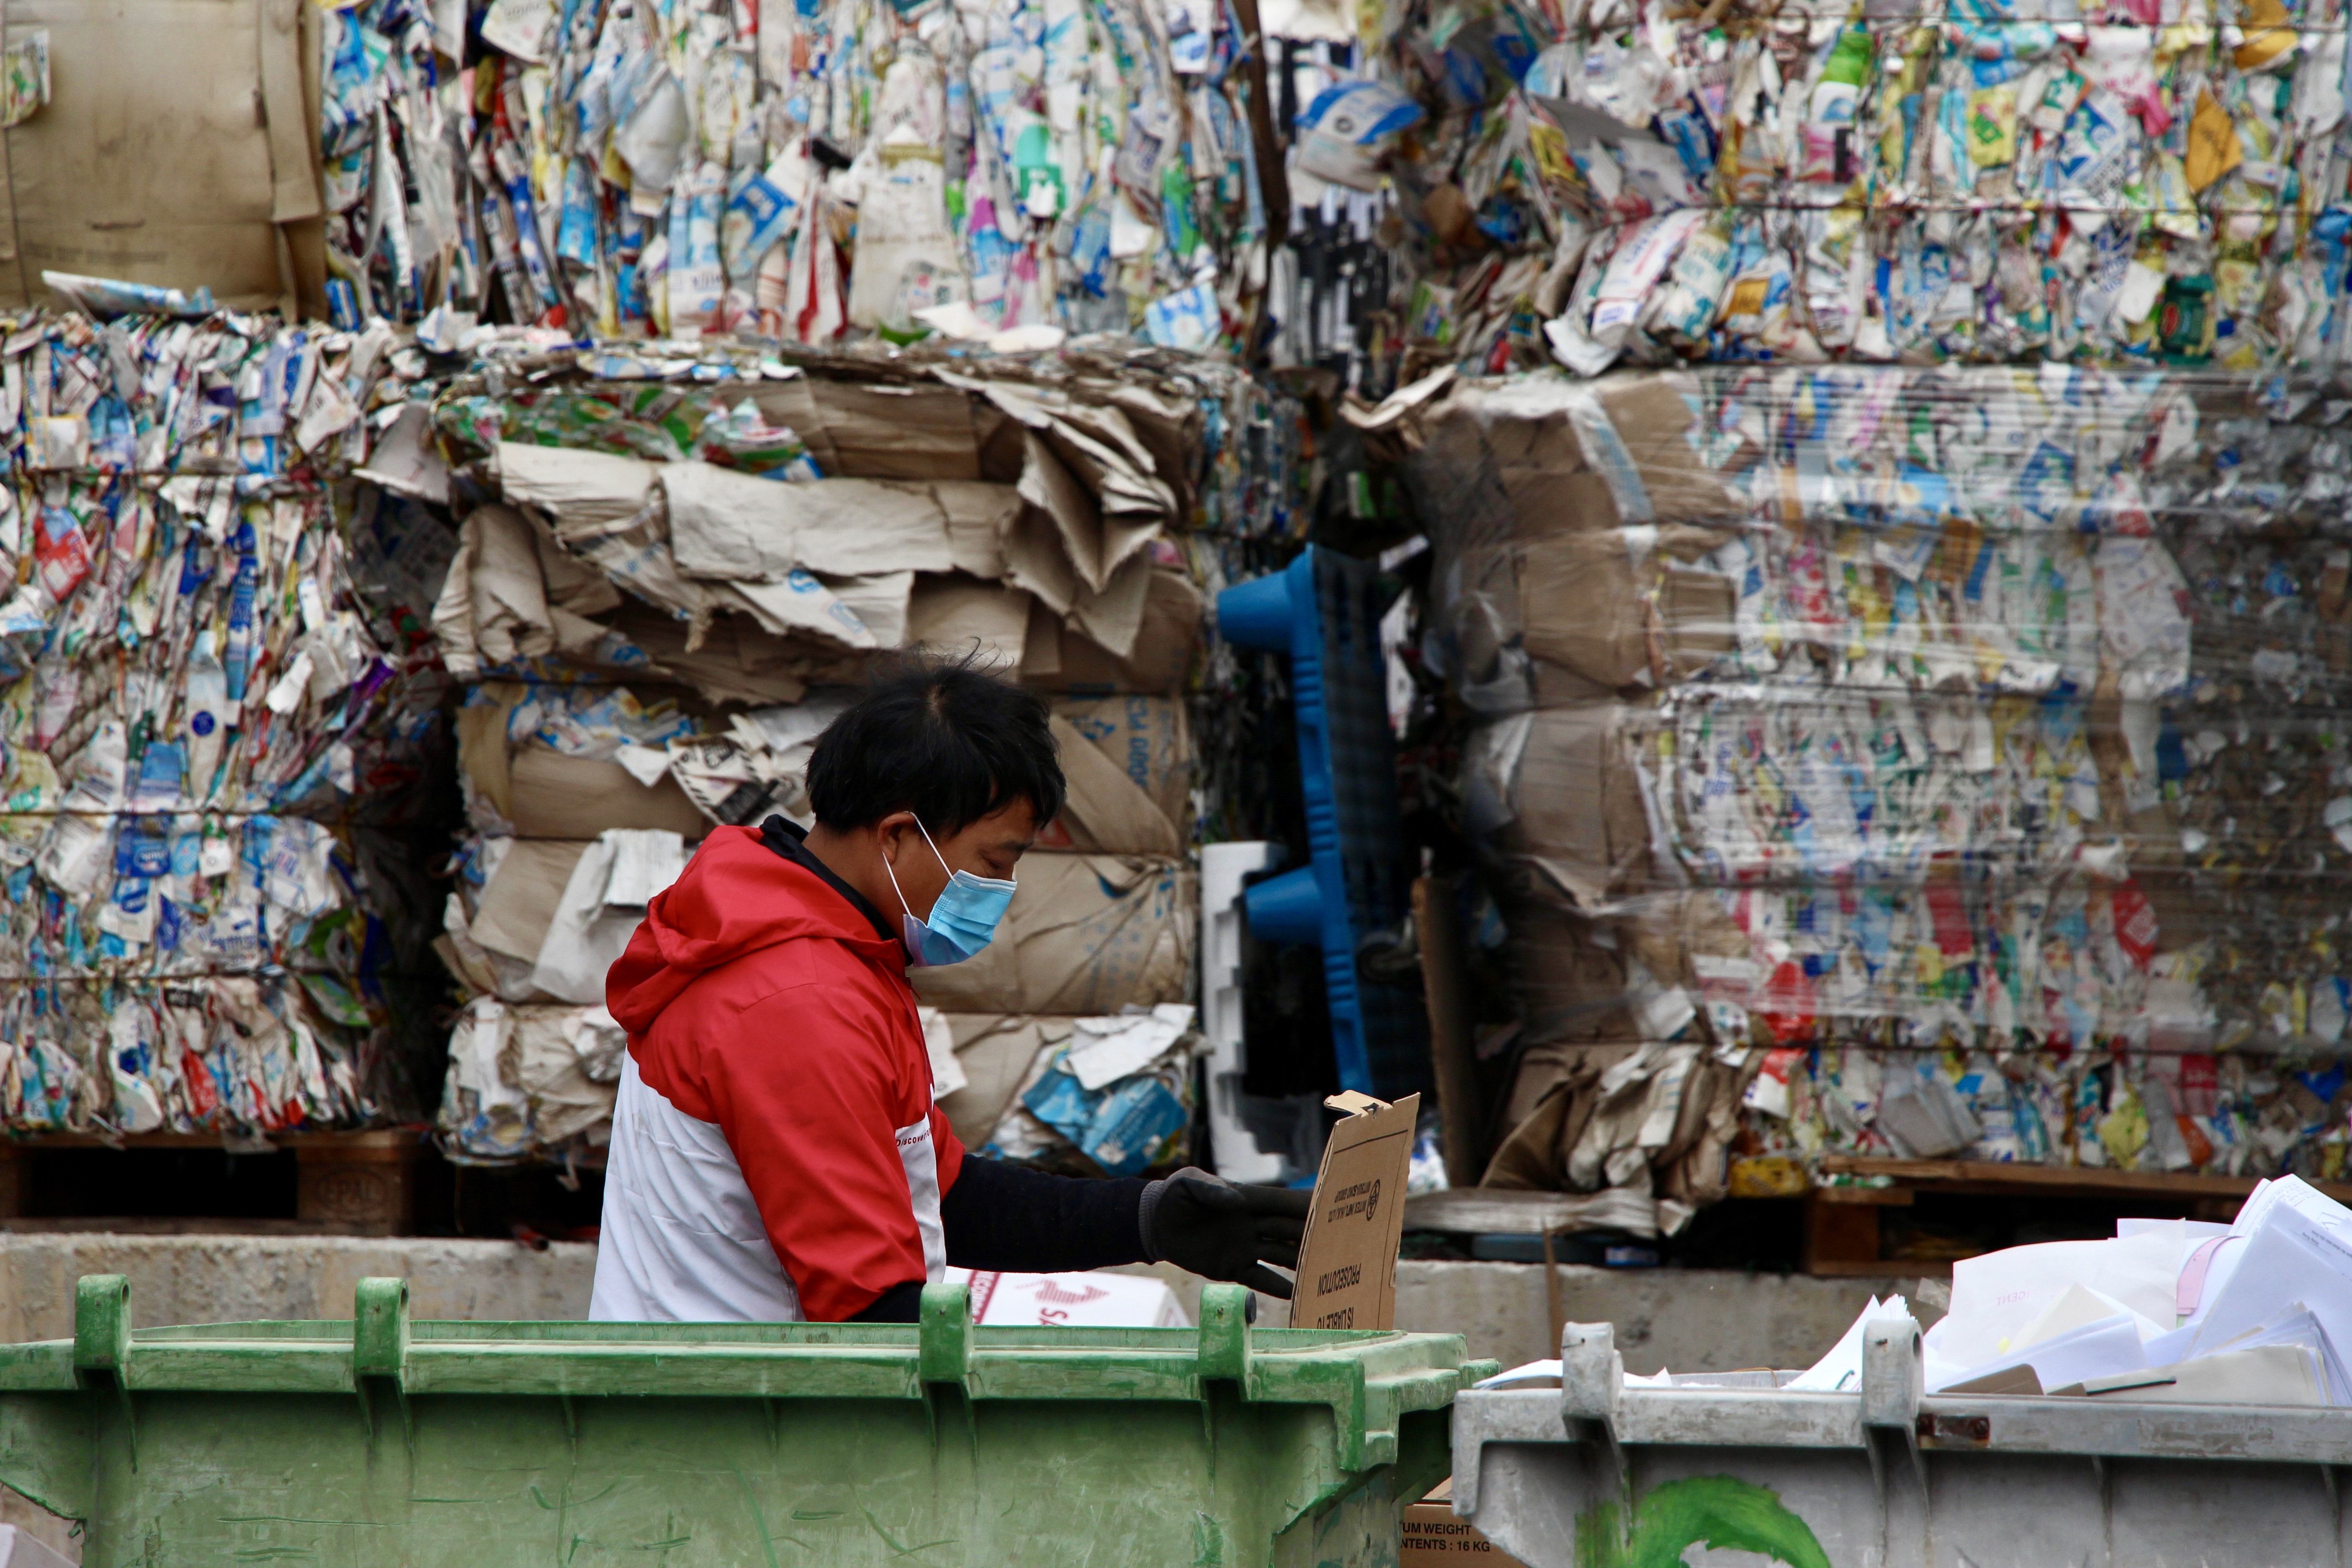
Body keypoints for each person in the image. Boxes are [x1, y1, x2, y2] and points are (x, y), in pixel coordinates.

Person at [589, 654, 1308, 1322]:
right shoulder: (796, 1003)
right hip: (737, 1401)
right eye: (994, 863)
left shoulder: (830, 948)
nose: (1003, 892)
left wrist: (1148, 1218)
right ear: (897, 836)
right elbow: (874, 1313)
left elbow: (940, 1194)